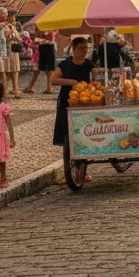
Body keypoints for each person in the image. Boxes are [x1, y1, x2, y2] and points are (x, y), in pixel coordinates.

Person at [51, 38, 95, 182]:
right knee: (69, 136)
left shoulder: (89, 64)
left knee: (84, 135)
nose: (84, 51)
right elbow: (53, 79)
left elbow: (96, 78)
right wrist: (71, 82)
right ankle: (71, 167)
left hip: (85, 103)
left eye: (86, 48)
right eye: (81, 48)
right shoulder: (65, 64)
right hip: (67, 103)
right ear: (74, 49)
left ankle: (82, 170)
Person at [24, 29, 56, 94]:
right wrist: (45, 40)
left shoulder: (50, 28)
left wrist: (43, 40)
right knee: (39, 69)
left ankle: (48, 88)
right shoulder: (41, 28)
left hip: (46, 48)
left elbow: (51, 39)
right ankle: (31, 87)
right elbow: (36, 39)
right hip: (43, 49)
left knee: (48, 69)